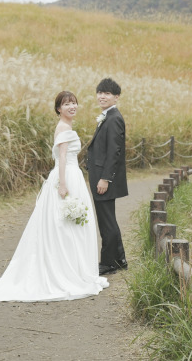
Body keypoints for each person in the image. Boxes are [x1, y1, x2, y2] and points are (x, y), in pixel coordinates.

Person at [0, 91, 108, 301]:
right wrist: (63, 184)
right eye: (66, 104)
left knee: (69, 224)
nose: (72, 106)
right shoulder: (63, 127)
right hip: (67, 177)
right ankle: (67, 271)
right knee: (65, 224)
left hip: (71, 176)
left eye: (74, 103)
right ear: (58, 109)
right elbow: (62, 157)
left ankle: (72, 269)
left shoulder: (66, 126)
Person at [86, 78, 128, 276]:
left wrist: (105, 178)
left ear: (116, 97)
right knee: (108, 219)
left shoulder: (114, 118)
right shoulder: (108, 116)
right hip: (101, 177)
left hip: (104, 179)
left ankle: (109, 263)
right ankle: (119, 259)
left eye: (107, 93)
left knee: (106, 221)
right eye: (100, 92)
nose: (102, 96)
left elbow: (114, 152)